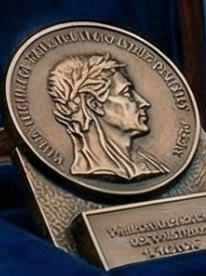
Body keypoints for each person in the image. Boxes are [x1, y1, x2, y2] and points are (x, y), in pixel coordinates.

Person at [44, 51, 170, 182]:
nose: (144, 103)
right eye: (127, 93)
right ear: (94, 104)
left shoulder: (152, 165)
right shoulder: (88, 171)